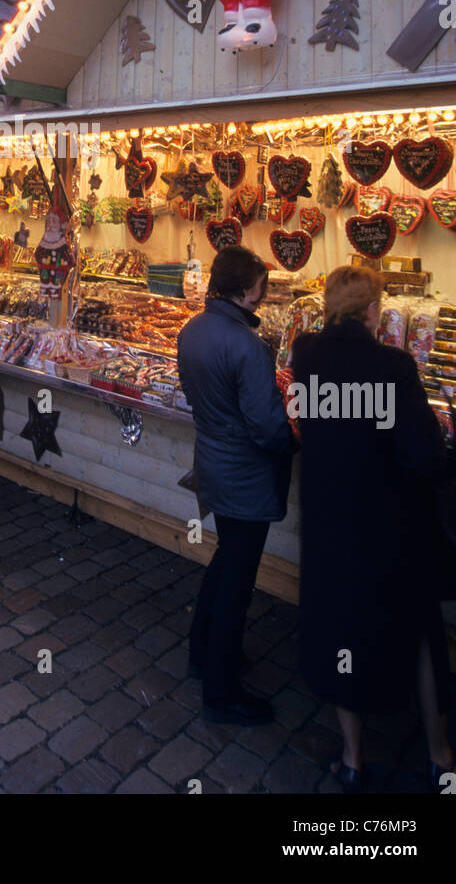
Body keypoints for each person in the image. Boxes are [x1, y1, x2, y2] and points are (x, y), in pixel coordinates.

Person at [291, 265, 456, 793]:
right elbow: (423, 453)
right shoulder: (394, 367)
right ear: (372, 311)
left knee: (341, 630)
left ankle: (352, 758)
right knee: (422, 633)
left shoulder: (306, 355)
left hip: (327, 524)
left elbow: (311, 424)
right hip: (389, 528)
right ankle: (440, 756)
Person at [177, 245, 295, 724]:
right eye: (261, 286)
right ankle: (221, 692)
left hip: (213, 462)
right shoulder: (247, 345)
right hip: (244, 472)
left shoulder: (193, 330)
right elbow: (266, 425)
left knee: (225, 560)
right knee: (238, 582)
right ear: (249, 289)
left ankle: (202, 653)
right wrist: (293, 438)